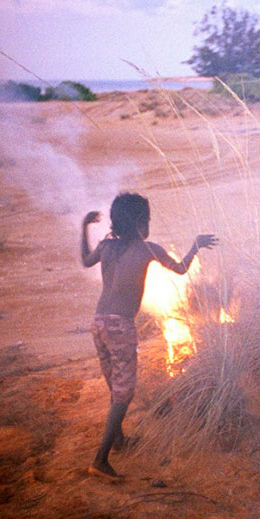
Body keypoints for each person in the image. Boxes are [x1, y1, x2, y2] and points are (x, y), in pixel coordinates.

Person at [81, 192, 216, 481]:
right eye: (148, 219)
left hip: (98, 323)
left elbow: (84, 260)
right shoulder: (147, 249)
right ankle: (100, 460)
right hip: (120, 327)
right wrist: (195, 246)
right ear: (141, 223)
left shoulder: (106, 246)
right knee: (124, 392)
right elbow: (180, 269)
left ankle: (119, 440)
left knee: (114, 385)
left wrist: (84, 228)